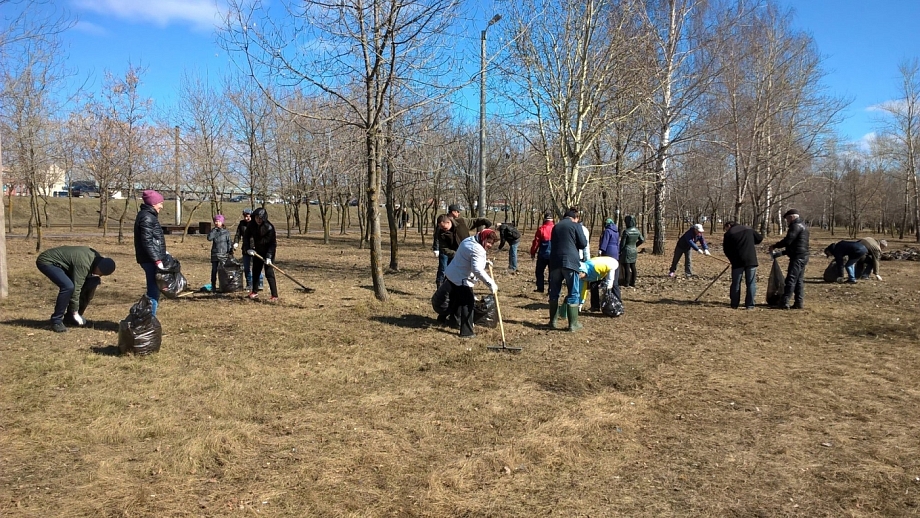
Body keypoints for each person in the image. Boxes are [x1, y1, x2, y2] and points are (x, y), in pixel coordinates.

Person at [36, 246, 116, 332]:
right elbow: (76, 289)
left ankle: (70, 318)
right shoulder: (84, 265)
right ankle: (56, 321)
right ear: (98, 267)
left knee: (92, 282)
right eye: (100, 273)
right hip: (48, 261)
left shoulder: (96, 260)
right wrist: (75, 312)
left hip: (65, 264)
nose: (99, 275)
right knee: (68, 287)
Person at [442, 228, 500, 337]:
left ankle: (453, 322)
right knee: (468, 303)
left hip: (452, 274)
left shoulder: (470, 240)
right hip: (461, 278)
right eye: (488, 242)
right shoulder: (477, 249)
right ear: (483, 238)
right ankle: (467, 333)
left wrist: (484, 263)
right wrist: (490, 283)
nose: (490, 245)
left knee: (457, 300)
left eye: (492, 243)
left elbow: (469, 258)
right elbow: (476, 269)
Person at [548, 208, 588, 331]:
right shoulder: (575, 226)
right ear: (575, 217)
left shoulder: (556, 227)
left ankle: (553, 322)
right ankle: (573, 324)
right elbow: (583, 243)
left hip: (555, 262)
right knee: (573, 292)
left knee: (554, 292)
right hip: (570, 262)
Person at [432, 205, 491, 286]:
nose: (443, 229)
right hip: (453, 256)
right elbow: (444, 248)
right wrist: (457, 254)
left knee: (467, 275)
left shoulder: (462, 222)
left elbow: (474, 221)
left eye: (444, 227)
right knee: (450, 275)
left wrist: (484, 221)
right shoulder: (441, 233)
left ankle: (464, 292)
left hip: (468, 253)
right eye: (441, 227)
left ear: (449, 222)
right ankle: (443, 292)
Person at [134, 189, 167, 317]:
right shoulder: (147, 217)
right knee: (153, 291)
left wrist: (163, 252)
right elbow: (146, 241)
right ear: (153, 203)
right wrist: (157, 260)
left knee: (154, 290)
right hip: (150, 259)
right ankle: (149, 321)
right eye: (160, 203)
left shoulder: (148, 215)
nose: (161, 206)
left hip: (150, 258)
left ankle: (147, 318)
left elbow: (154, 239)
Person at [769, 208, 810, 309]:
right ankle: (798, 302)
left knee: (791, 279)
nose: (787, 221)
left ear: (791, 217)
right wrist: (782, 253)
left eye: (787, 219)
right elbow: (798, 244)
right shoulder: (803, 226)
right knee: (799, 280)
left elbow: (788, 241)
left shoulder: (795, 226)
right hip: (803, 255)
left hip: (797, 257)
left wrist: (775, 246)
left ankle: (784, 302)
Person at [722, 221, 764, 309]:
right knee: (751, 283)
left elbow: (726, 250)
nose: (725, 230)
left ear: (729, 225)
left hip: (737, 261)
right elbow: (759, 238)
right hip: (751, 259)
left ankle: (734, 304)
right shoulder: (749, 229)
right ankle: (750, 305)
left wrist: (731, 259)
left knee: (736, 283)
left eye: (725, 228)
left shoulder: (729, 233)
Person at [245, 207, 279, 301]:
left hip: (269, 251)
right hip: (257, 251)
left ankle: (274, 295)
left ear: (264, 218)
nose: (258, 220)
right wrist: (249, 248)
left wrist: (269, 257)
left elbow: (273, 244)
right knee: (255, 271)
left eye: (260, 218)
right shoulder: (251, 225)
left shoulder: (269, 227)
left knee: (269, 273)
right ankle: (254, 292)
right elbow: (246, 237)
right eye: (256, 218)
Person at [234, 208, 262, 290]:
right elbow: (238, 235)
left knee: (257, 267)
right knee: (246, 268)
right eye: (245, 216)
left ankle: (259, 283)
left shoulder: (256, 224)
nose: (246, 218)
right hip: (246, 249)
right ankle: (249, 284)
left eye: (248, 216)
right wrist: (236, 242)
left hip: (256, 249)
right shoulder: (242, 224)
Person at [529, 211, 554, 293]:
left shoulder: (541, 229)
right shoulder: (556, 228)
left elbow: (536, 242)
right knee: (552, 273)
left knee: (539, 271)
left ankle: (540, 288)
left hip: (543, 254)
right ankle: (551, 290)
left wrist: (533, 252)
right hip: (554, 254)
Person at [207, 214, 233, 292]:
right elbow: (209, 238)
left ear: (222, 222)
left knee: (224, 271)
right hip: (215, 254)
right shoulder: (214, 231)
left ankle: (223, 285)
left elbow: (229, 242)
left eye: (218, 221)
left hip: (224, 254)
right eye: (215, 221)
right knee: (214, 270)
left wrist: (230, 251)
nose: (217, 223)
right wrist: (214, 230)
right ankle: (213, 286)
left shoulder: (226, 232)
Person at [597, 217, 621, 301]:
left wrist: (600, 251)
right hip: (616, 254)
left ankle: (607, 297)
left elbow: (605, 242)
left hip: (608, 253)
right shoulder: (616, 232)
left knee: (608, 276)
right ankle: (617, 298)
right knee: (614, 276)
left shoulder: (607, 231)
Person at [619, 215, 645, 288]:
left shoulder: (626, 231)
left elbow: (622, 244)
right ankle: (633, 282)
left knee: (627, 266)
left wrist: (620, 250)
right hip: (634, 250)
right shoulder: (637, 231)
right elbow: (642, 240)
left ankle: (627, 282)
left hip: (627, 250)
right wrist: (635, 245)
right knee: (633, 266)